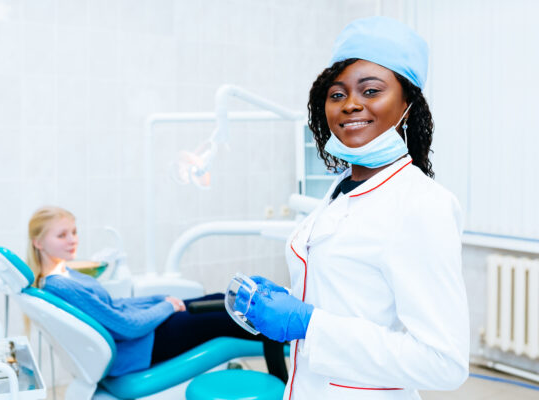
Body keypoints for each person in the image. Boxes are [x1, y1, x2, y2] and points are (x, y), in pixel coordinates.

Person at [236, 16, 469, 399]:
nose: (350, 105)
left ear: (407, 106)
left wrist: (309, 324)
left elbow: (444, 361)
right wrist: (295, 300)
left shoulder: (422, 205)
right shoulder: (343, 188)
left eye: (371, 90)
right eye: (338, 94)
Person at [27, 206, 278, 378]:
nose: (73, 240)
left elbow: (117, 305)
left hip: (142, 337)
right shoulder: (60, 285)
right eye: (62, 235)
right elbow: (125, 325)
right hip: (140, 347)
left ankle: (280, 316)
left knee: (216, 299)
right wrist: (167, 306)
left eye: (74, 232)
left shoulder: (66, 273)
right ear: (38, 242)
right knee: (224, 315)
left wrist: (161, 299)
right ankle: (286, 334)